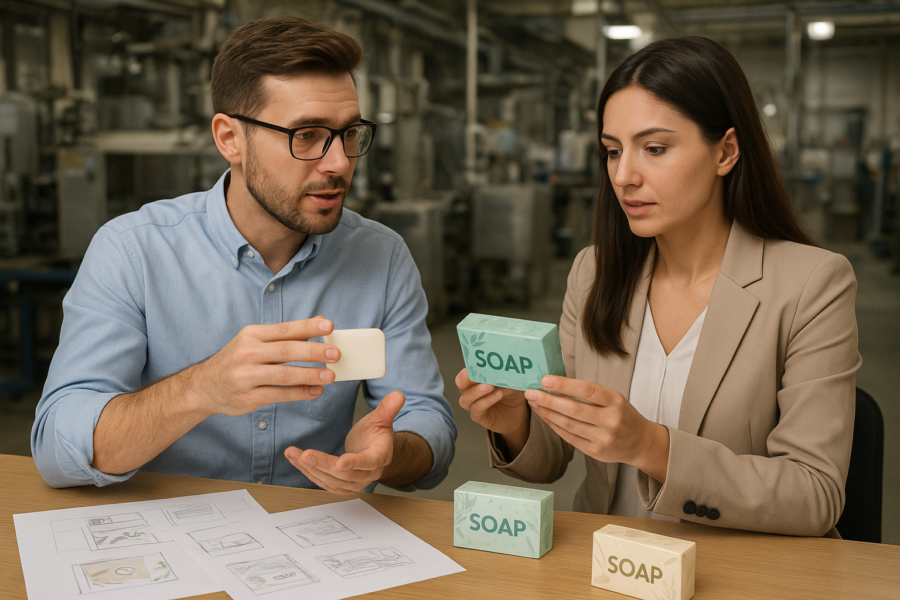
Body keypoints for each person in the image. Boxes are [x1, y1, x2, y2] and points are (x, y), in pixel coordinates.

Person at [456, 36, 860, 537]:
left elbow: (814, 495)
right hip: (608, 566)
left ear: (726, 151)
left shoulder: (810, 285)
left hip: (735, 572)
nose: (623, 176)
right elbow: (552, 460)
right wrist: (515, 420)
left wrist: (651, 446)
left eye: (655, 148)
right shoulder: (595, 272)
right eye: (611, 151)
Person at [32, 16, 456, 494]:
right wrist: (201, 389)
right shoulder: (133, 251)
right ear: (229, 139)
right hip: (171, 539)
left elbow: (427, 421)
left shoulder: (382, 257)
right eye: (307, 135)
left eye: (349, 133)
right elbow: (56, 449)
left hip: (314, 541)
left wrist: (388, 454)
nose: (339, 162)